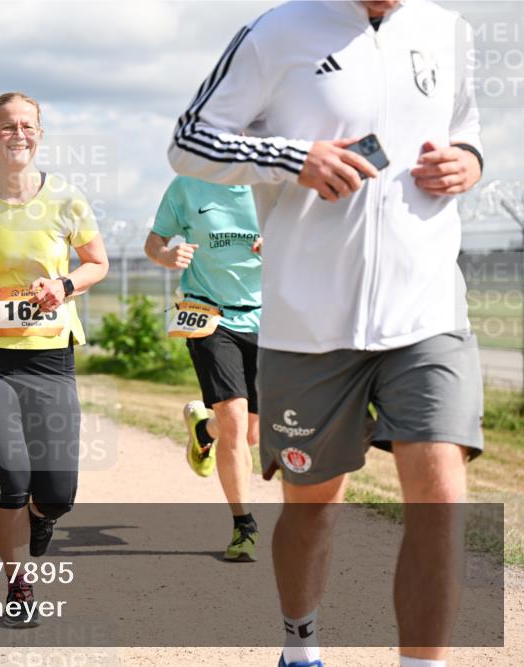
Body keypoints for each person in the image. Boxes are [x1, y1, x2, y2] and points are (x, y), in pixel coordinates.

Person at [168, 2, 485, 666]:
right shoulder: (275, 33)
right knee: (313, 509)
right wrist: (292, 158)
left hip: (426, 311)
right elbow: (189, 141)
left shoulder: (449, 31)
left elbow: (464, 127)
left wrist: (469, 163)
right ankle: (301, 644)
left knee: (440, 498)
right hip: (308, 324)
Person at [0, 92, 109, 627]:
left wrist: (63, 285)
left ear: (39, 134)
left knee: (57, 492)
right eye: (7, 126)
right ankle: (17, 584)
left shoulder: (67, 199)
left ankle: (41, 517)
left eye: (28, 125)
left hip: (50, 358)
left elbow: (96, 264)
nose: (18, 133)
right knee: (10, 477)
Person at [144, 175, 263, 562]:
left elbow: (316, 239)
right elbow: (154, 242)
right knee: (234, 421)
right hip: (208, 314)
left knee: (251, 432)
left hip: (267, 317)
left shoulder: (275, 185)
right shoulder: (187, 186)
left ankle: (202, 429)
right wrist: (165, 256)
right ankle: (244, 526)